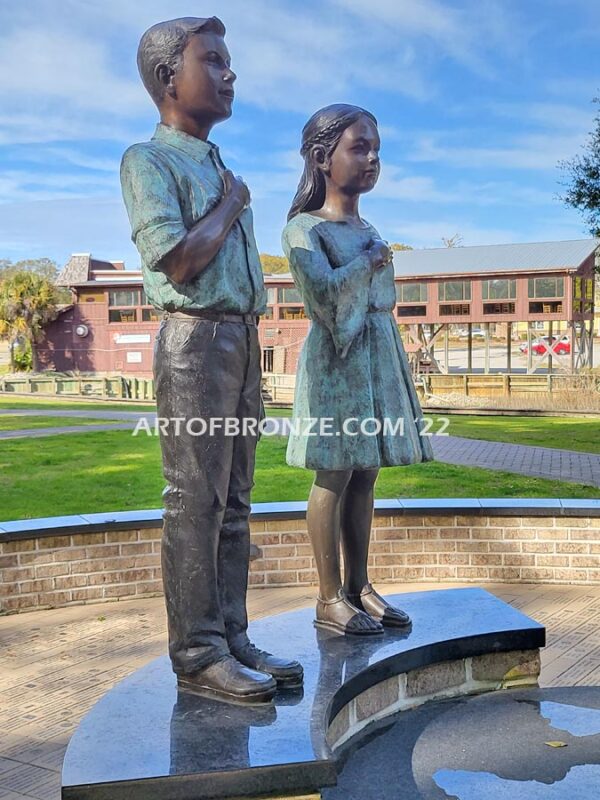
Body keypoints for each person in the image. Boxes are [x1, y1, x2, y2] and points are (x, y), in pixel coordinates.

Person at [120, 16, 302, 704]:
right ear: (170, 78)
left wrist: (229, 192)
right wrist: (231, 203)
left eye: (229, 62)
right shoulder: (149, 160)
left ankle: (231, 634)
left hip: (240, 341)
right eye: (215, 60)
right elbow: (181, 260)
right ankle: (197, 651)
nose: (230, 74)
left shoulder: (218, 162)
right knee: (194, 501)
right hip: (194, 341)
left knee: (234, 503)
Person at [282, 104, 435, 637]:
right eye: (359, 147)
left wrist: (372, 268)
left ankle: (359, 586)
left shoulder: (367, 225)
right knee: (337, 470)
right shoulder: (303, 229)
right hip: (338, 358)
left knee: (366, 471)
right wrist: (367, 263)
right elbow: (322, 297)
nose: (371, 159)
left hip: (376, 350)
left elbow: (381, 298)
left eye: (376, 150)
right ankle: (328, 597)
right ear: (323, 157)